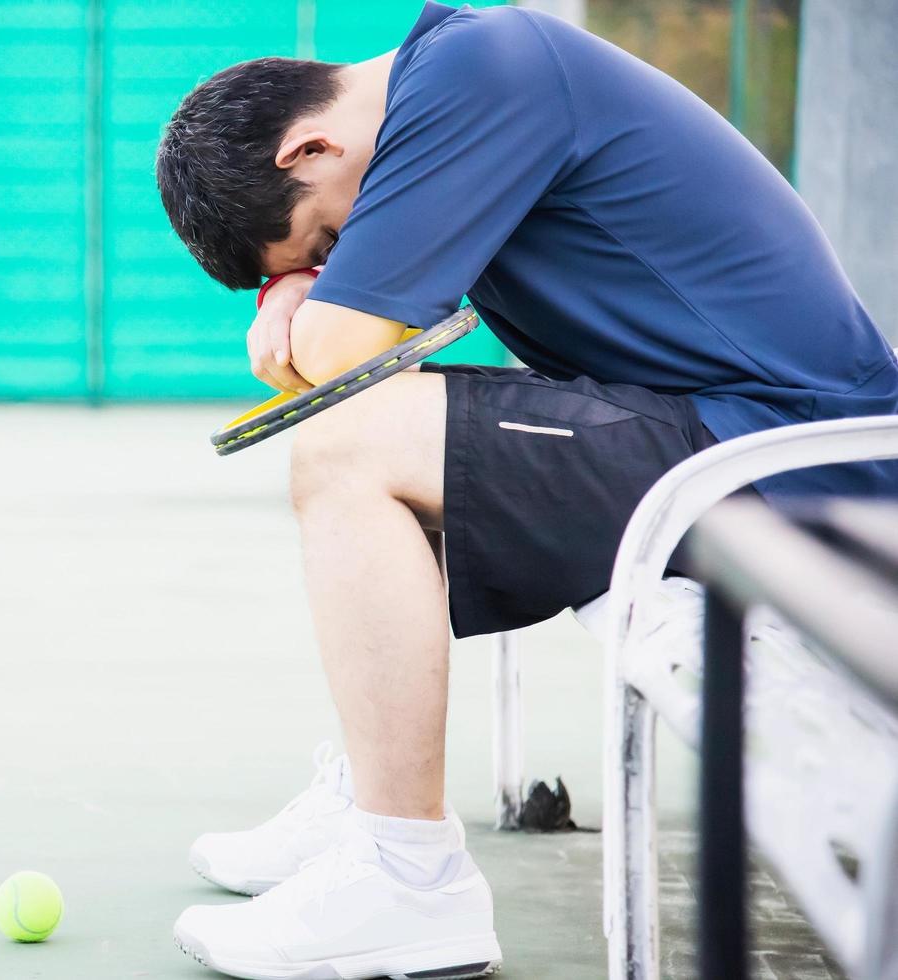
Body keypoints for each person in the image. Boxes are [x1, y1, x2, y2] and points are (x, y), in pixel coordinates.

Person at [154, 3, 898, 977]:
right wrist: (284, 284)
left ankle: (407, 877)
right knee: (383, 426)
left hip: (785, 462)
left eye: (325, 235)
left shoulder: (482, 68)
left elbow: (335, 356)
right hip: (709, 436)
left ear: (308, 146)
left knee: (347, 439)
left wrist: (303, 301)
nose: (337, 258)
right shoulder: (453, 85)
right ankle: (368, 808)